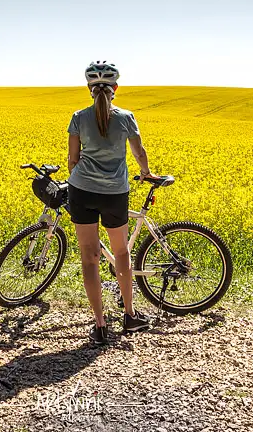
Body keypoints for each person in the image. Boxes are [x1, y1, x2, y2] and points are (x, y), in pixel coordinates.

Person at [67, 61, 154, 344]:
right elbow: (139, 152)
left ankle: (100, 325)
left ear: (89, 89)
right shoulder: (127, 117)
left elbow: (72, 159)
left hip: (82, 191)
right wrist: (146, 173)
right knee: (121, 253)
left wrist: (81, 181)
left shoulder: (78, 117)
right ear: (115, 88)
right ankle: (129, 316)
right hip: (116, 193)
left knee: (89, 259)